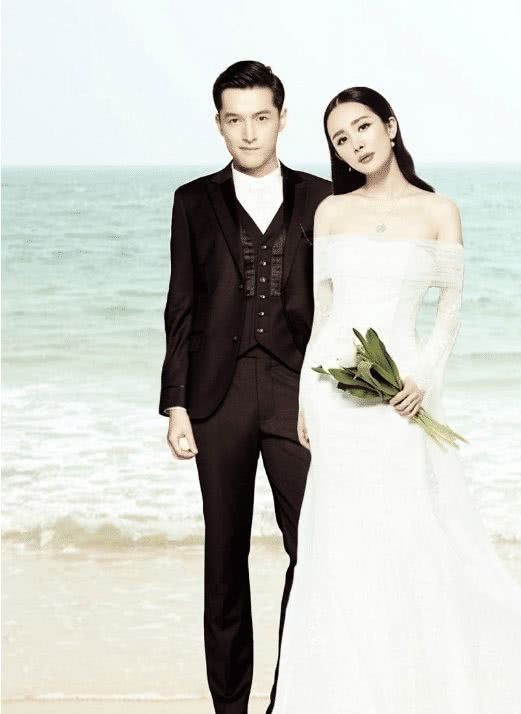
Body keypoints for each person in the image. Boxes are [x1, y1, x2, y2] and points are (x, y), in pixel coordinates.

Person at [271, 86, 521, 712]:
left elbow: (449, 312)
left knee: (407, 533)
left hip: (400, 394)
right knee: (338, 542)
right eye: (340, 138)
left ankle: (414, 686)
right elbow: (325, 312)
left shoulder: (439, 211)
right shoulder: (331, 212)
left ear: (391, 126)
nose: (355, 143)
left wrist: (421, 378)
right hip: (335, 395)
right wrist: (304, 400)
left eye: (363, 127)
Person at [158, 60, 331, 713]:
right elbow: (181, 303)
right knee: (224, 557)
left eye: (261, 117)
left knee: (312, 548)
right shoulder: (192, 201)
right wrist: (176, 403)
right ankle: (229, 707)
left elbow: (341, 300)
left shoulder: (322, 198)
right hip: (217, 397)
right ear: (219, 124)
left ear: (282, 119)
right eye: (235, 119)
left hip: (297, 393)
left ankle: (292, 694)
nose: (249, 132)